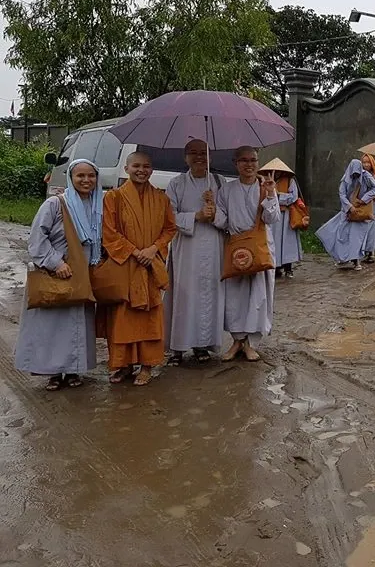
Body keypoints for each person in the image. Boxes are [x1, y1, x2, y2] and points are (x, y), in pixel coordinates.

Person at [14, 159, 102, 391]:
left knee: (77, 325)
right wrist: (56, 263)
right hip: (57, 273)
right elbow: (37, 238)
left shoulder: (98, 206)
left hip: (81, 275)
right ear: (71, 178)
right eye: (80, 176)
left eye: (91, 176)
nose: (86, 180)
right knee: (51, 326)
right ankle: (52, 373)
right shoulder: (55, 203)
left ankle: (73, 370)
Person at [98, 151, 177, 386]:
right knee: (122, 318)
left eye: (146, 166)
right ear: (126, 169)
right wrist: (134, 252)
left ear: (151, 170)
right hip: (126, 265)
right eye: (136, 166)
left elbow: (170, 229)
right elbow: (109, 232)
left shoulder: (161, 198)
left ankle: (147, 366)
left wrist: (153, 249)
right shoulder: (114, 197)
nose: (141, 170)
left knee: (149, 318)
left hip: (150, 265)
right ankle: (123, 365)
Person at [214, 146, 280, 362]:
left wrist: (271, 194)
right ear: (236, 163)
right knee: (234, 296)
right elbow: (222, 221)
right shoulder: (226, 189)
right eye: (244, 160)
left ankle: (251, 343)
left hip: (260, 245)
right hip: (236, 247)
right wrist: (211, 208)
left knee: (259, 295)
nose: (249, 164)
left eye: (253, 160)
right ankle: (237, 341)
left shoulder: (265, 187)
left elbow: (272, 218)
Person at [164, 139, 223, 366]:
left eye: (203, 153)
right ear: (185, 157)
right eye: (194, 153)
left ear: (210, 157)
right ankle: (177, 347)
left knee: (207, 295)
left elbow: (228, 217)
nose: (199, 157)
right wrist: (196, 216)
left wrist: (214, 212)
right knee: (184, 295)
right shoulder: (176, 184)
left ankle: (202, 344)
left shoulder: (218, 182)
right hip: (186, 248)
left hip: (213, 246)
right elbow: (168, 217)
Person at [316, 159, 375, 270]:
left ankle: (356, 261)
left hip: (360, 213)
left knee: (357, 238)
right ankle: (343, 259)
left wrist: (364, 199)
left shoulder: (366, 176)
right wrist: (349, 207)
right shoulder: (345, 180)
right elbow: (342, 194)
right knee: (343, 237)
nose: (356, 175)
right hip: (347, 213)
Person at [258, 158, 303, 279]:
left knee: (287, 242)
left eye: (278, 171)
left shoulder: (290, 180)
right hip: (273, 215)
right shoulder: (266, 180)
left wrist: (278, 196)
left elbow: (293, 196)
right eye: (274, 170)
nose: (276, 172)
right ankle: (276, 267)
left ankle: (288, 268)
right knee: (274, 242)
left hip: (286, 215)